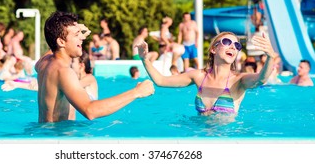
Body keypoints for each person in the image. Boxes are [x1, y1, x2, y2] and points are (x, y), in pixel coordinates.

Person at [35, 11, 155, 123]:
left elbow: (54, 45)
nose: (82, 38)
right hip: (59, 137)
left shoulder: (44, 63)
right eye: (77, 35)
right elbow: (90, 111)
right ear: (61, 42)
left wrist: (73, 35)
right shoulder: (64, 72)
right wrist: (136, 92)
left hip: (44, 135)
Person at [136, 31, 278, 116]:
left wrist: (271, 57)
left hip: (227, 140)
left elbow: (261, 79)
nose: (233, 47)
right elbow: (161, 81)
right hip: (199, 137)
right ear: (213, 49)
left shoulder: (239, 81)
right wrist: (144, 59)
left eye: (237, 45)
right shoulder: (198, 76)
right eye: (227, 42)